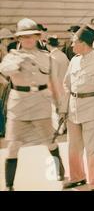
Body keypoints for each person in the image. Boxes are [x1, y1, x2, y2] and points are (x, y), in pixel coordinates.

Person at [0, 18, 66, 191]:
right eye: (24, 37)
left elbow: (53, 82)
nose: (28, 40)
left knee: (50, 141)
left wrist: (60, 105)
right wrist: (18, 63)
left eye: (31, 36)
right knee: (13, 145)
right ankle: (9, 185)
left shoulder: (47, 57)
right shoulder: (11, 57)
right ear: (19, 39)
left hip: (41, 103)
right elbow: (5, 71)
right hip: (19, 104)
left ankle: (59, 171)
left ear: (37, 37)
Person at [60, 24, 94, 191]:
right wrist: (64, 108)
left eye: (74, 42)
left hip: (93, 110)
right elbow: (66, 84)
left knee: (93, 150)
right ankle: (77, 177)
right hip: (73, 110)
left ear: (83, 43)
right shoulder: (74, 61)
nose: (71, 45)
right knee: (73, 148)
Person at [47, 36, 70, 132]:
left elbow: (53, 75)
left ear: (48, 45)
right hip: (65, 85)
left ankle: (60, 128)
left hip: (57, 86)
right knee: (64, 107)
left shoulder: (52, 57)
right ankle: (64, 127)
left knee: (57, 108)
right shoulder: (63, 55)